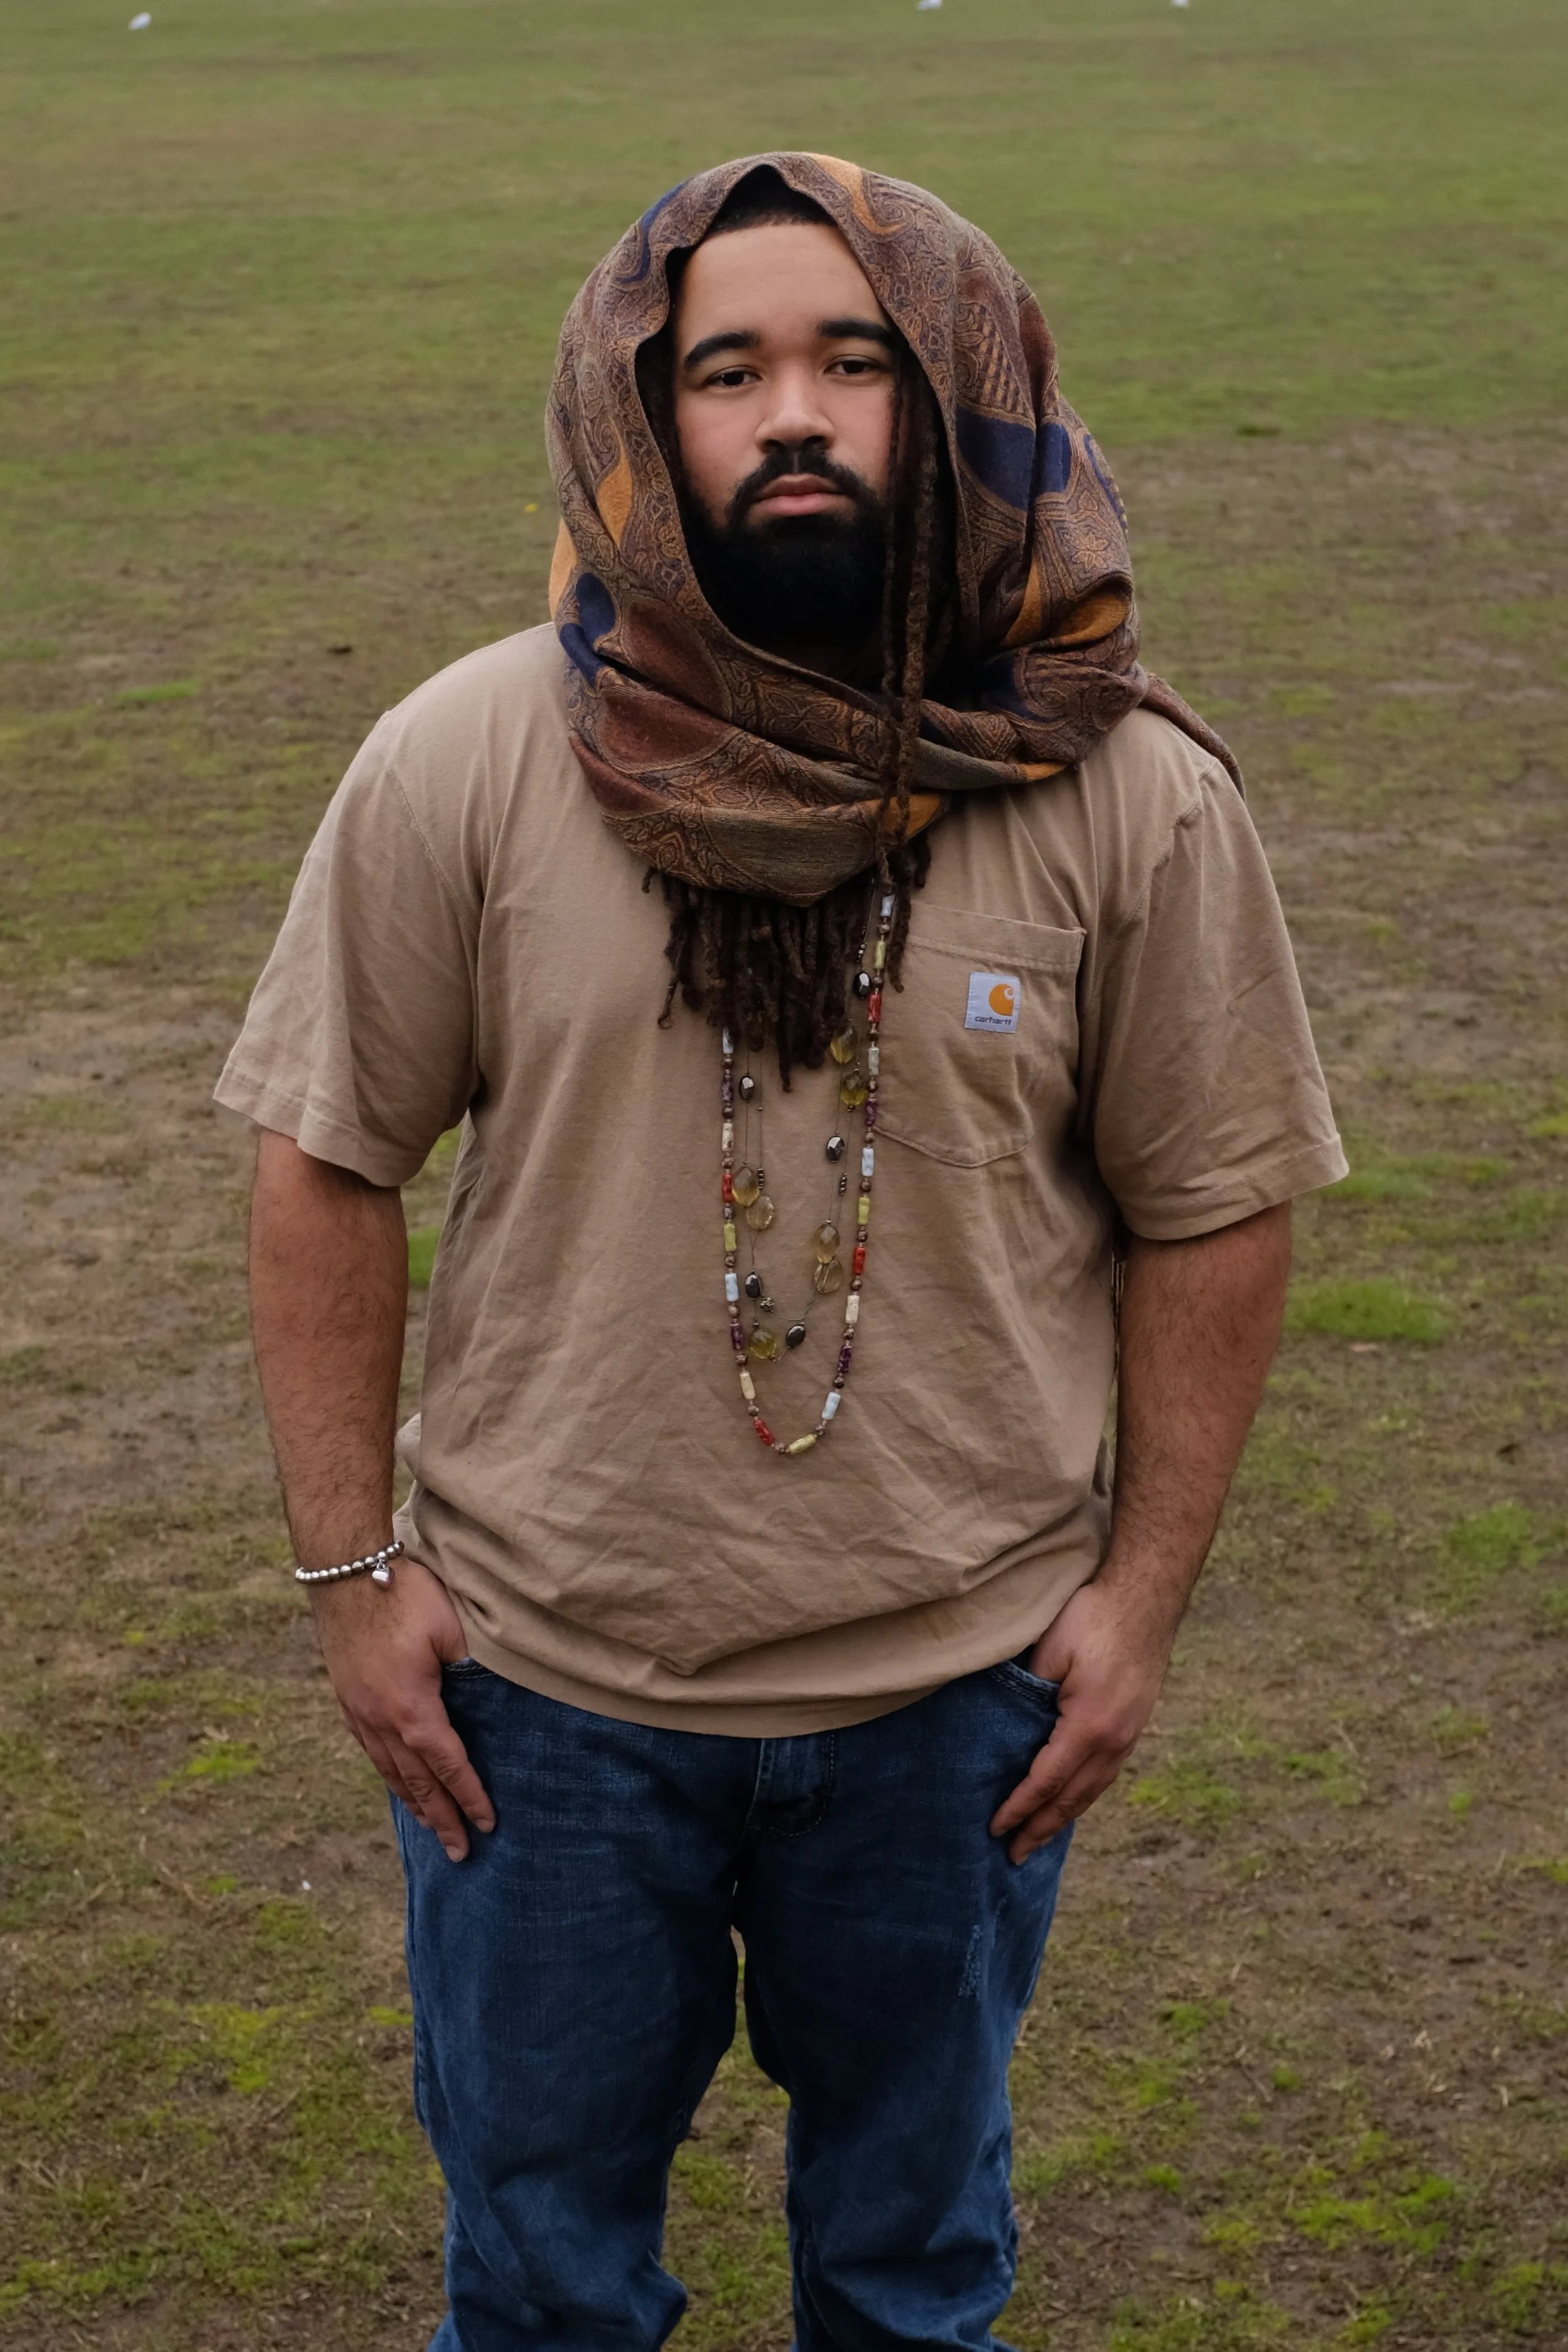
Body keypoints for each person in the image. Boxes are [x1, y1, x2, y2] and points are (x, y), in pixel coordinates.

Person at [217, 155, 1346, 2352]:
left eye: (856, 359)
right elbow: (323, 1163)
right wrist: (358, 1582)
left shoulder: (1116, 788)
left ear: (960, 399)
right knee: (540, 2286)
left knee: (912, 2285)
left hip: (959, 1707)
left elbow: (1217, 1202)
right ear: (642, 426)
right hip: (536, 1711)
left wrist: (1131, 1608)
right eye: (725, 370)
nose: (793, 412)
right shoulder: (463, 755)